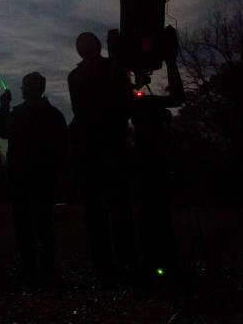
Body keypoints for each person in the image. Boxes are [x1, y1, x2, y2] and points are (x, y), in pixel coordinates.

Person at [67, 31, 135, 280]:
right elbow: (126, 103)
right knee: (117, 205)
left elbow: (79, 110)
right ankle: (125, 258)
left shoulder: (76, 76)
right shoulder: (114, 69)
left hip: (92, 147)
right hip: (111, 144)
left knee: (98, 208)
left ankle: (104, 263)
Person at [0, 73, 67, 278]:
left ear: (30, 89)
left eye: (25, 86)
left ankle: (32, 267)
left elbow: (1, 130)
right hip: (42, 177)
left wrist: (3, 107)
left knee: (27, 225)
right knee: (42, 224)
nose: (23, 90)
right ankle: (45, 268)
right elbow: (63, 148)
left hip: (25, 177)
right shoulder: (55, 115)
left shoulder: (20, 114)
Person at [131, 25, 185, 278]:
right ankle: (162, 258)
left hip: (147, 163)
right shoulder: (145, 104)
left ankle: (154, 259)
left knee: (152, 212)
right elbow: (177, 97)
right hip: (153, 162)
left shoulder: (137, 104)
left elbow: (177, 98)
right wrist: (171, 61)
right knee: (157, 211)